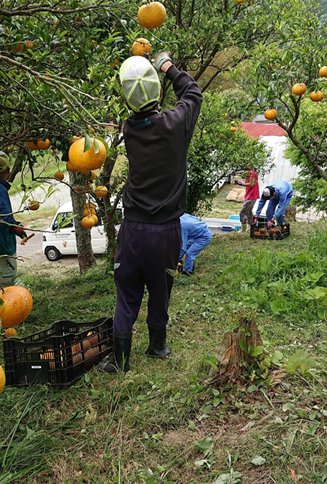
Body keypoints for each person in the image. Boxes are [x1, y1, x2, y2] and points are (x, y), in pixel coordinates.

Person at [99, 52, 203, 373]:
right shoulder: (176, 124)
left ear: (128, 103)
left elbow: (141, 112)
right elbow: (193, 93)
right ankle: (157, 345)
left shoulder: (130, 131)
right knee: (161, 288)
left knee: (127, 290)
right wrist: (166, 65)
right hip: (167, 230)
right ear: (159, 91)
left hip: (133, 229)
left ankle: (120, 360)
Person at [0, 152, 27, 288]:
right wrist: (15, 228)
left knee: (4, 277)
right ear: (8, 171)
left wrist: (14, 224)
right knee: (5, 281)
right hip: (1, 245)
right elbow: (3, 217)